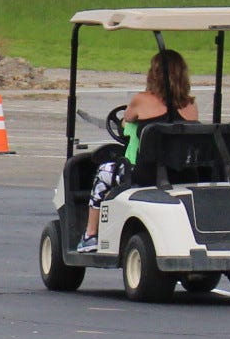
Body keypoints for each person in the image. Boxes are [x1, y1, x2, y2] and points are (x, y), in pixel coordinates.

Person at [78, 46, 198, 250]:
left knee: (104, 172)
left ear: (154, 75)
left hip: (145, 173)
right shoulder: (191, 106)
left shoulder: (141, 100)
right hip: (182, 172)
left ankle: (90, 233)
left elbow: (126, 120)